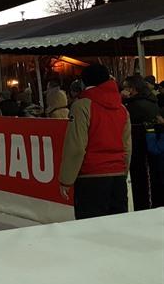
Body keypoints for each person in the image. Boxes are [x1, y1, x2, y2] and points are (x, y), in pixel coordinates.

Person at [59, 64, 132, 219]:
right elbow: (127, 146)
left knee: (91, 232)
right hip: (117, 177)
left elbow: (77, 146)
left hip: (91, 177)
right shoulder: (122, 109)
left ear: (84, 82)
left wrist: (66, 179)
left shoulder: (81, 106)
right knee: (117, 230)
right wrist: (122, 172)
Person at [122, 75, 162, 210]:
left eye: (125, 88)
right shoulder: (152, 100)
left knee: (140, 181)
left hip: (139, 148)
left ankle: (143, 209)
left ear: (133, 89)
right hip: (152, 148)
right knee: (153, 179)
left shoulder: (133, 106)